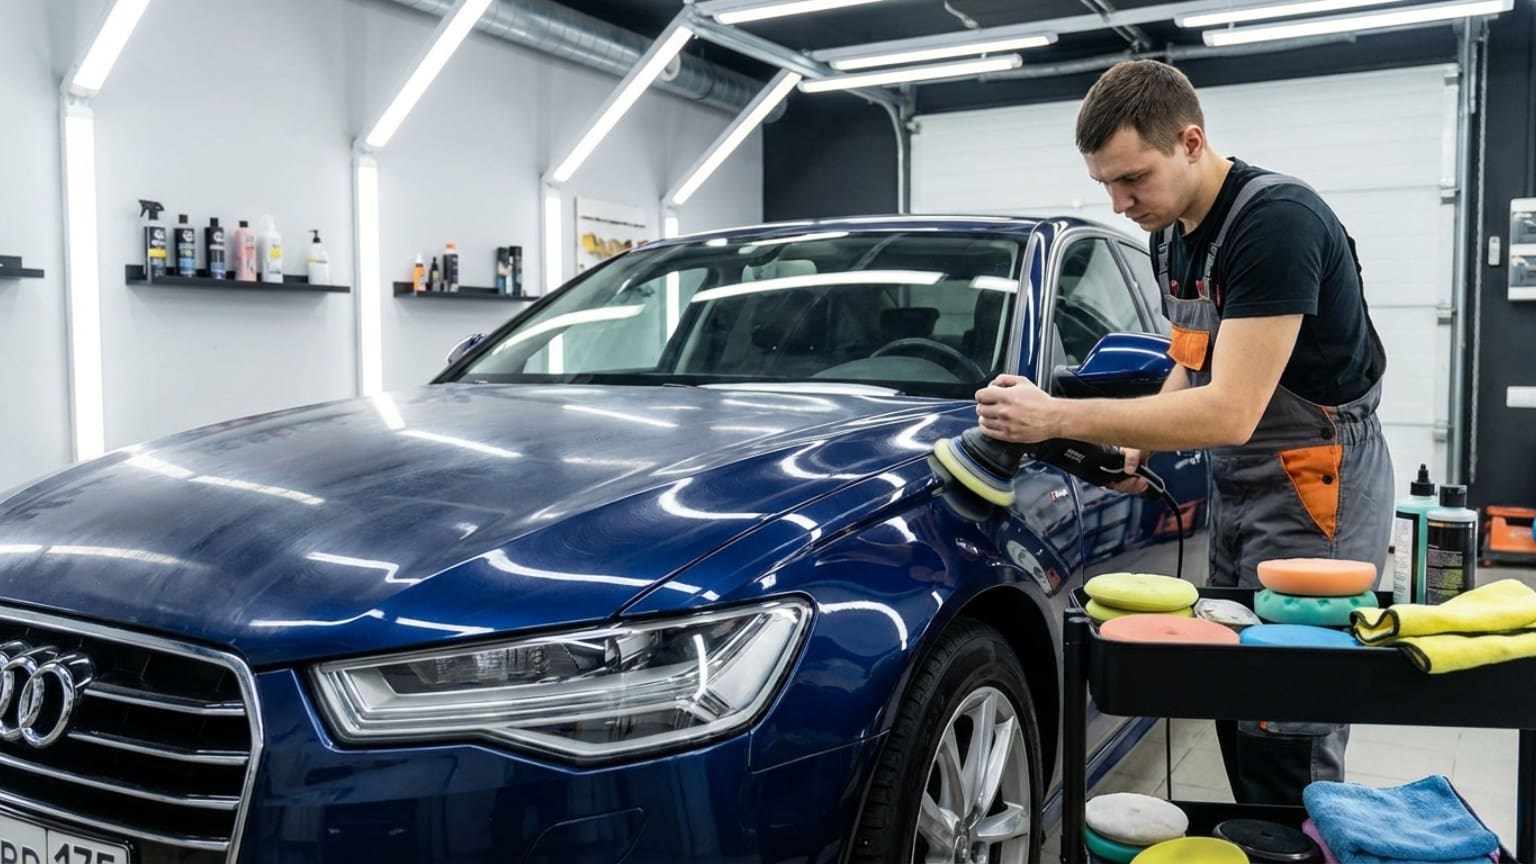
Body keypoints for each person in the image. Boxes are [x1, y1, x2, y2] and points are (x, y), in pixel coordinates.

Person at [972, 59, 1393, 805]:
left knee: (1287, 716)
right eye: (1106, 183)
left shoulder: (1275, 223)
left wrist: (1054, 415)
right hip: (1240, 482)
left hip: (1315, 481)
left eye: (1132, 179)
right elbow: (1188, 358)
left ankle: (1298, 849)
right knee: (1235, 685)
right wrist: (1140, 444)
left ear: (1190, 142)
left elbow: (1230, 410)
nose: (1119, 201)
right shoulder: (1173, 233)